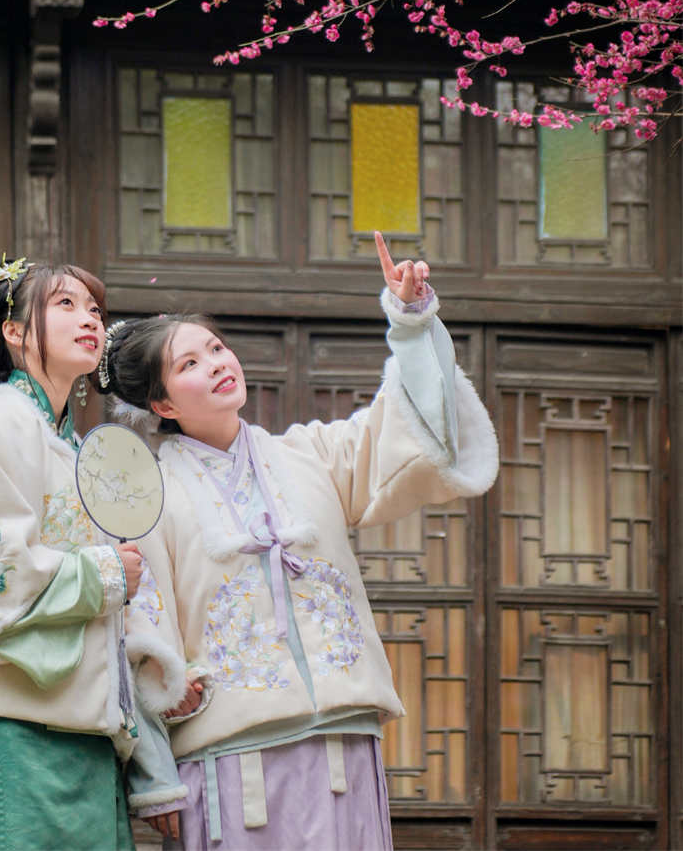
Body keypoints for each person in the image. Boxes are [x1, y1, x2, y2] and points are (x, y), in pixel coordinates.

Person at [102, 233, 499, 850]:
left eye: (217, 348)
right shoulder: (147, 498)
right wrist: (156, 776)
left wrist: (411, 324)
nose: (217, 364)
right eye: (190, 364)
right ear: (162, 403)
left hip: (343, 743)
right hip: (231, 760)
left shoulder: (310, 454)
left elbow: (407, 431)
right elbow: (136, 637)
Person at [0, 256, 190, 851]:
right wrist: (105, 573)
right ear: (13, 331)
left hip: (86, 740)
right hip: (7, 733)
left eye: (94, 309)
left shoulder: (80, 450)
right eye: (65, 304)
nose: (89, 319)